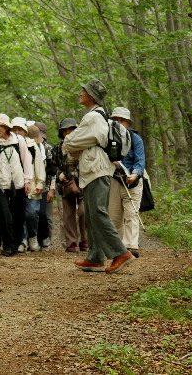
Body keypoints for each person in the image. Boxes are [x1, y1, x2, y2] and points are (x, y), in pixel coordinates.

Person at [62, 79, 135, 274]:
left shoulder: (93, 118)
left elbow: (74, 142)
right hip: (93, 169)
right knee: (92, 215)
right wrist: (73, 143)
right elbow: (82, 142)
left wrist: (69, 141)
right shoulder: (94, 116)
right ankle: (95, 257)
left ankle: (121, 253)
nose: (80, 93)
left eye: (83, 91)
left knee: (98, 213)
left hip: (97, 170)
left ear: (91, 96)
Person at [0, 114, 33, 256]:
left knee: (18, 216)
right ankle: (7, 245)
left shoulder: (18, 140)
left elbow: (26, 160)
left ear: (5, 127)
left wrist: (27, 180)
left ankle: (15, 244)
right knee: (4, 214)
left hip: (18, 182)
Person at [108, 107, 145, 258]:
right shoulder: (110, 140)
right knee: (114, 215)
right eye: (115, 120)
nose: (117, 123)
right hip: (115, 180)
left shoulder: (136, 139)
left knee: (131, 214)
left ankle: (131, 246)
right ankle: (118, 247)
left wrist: (135, 174)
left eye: (121, 121)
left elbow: (140, 160)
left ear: (127, 123)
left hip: (133, 182)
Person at [51, 118, 88, 253]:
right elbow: (51, 166)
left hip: (83, 183)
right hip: (65, 185)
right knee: (68, 215)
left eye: (71, 129)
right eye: (65, 130)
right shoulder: (57, 148)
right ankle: (71, 242)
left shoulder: (83, 145)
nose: (68, 132)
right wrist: (59, 174)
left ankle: (85, 239)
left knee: (84, 211)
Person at [11, 118, 45, 252]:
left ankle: (33, 236)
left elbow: (38, 165)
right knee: (18, 214)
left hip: (32, 184)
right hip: (16, 185)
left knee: (32, 213)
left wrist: (40, 182)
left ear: (25, 132)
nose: (17, 132)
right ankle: (22, 240)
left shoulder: (32, 145)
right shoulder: (9, 144)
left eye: (20, 130)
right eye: (14, 129)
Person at [33, 121, 55, 249]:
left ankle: (47, 240)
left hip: (46, 186)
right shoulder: (28, 146)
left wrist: (52, 189)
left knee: (45, 214)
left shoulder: (48, 148)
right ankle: (35, 239)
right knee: (34, 213)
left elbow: (53, 171)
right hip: (32, 186)